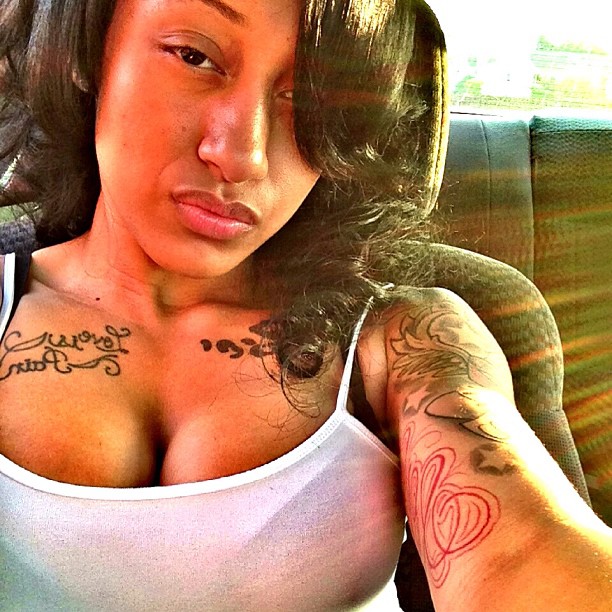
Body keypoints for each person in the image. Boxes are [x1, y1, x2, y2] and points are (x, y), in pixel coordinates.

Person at [0, 0, 610, 610]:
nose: (242, 155)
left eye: (311, 99)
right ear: (86, 53)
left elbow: (521, 551)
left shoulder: (406, 340)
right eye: (194, 56)